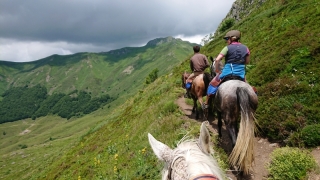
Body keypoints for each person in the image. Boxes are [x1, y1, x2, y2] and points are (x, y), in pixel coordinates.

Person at [203, 30, 250, 107]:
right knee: (249, 88)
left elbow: (217, 59)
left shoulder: (227, 48)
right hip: (241, 74)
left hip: (228, 73)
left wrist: (217, 70)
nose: (226, 41)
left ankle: (207, 103)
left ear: (232, 39)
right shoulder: (246, 48)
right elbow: (247, 62)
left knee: (212, 84)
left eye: (227, 39)